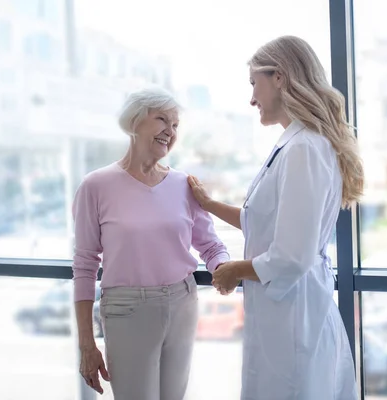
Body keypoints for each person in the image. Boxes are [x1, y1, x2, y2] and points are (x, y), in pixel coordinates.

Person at [188, 35, 364, 399]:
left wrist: (233, 270)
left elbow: (290, 256)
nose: (252, 98)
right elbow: (266, 222)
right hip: (286, 315)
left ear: (279, 77)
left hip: (294, 318)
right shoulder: (296, 143)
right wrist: (208, 204)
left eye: (254, 83)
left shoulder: (303, 149)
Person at [72, 86, 230, 400]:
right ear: (135, 121)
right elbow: (85, 266)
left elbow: (210, 245)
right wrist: (87, 345)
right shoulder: (96, 185)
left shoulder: (184, 184)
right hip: (127, 308)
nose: (170, 132)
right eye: (162, 120)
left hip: (183, 301)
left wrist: (225, 269)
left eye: (175, 126)